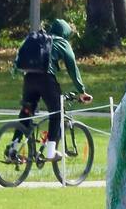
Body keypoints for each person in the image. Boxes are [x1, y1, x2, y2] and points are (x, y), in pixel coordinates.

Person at [13, 17, 91, 162]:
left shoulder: (39, 40)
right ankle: (50, 151)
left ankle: (13, 147)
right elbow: (72, 68)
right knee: (57, 112)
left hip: (29, 78)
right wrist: (81, 90)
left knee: (26, 111)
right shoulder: (62, 42)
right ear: (65, 33)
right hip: (46, 80)